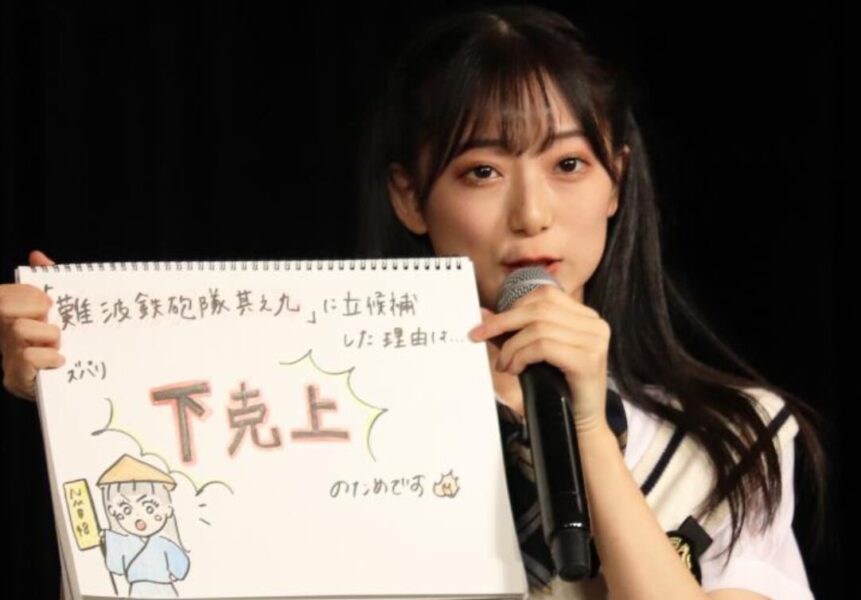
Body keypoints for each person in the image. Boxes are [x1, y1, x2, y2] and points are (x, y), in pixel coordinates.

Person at [0, 4, 828, 600]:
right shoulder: (322, 418)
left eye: (568, 165)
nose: (532, 213)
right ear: (409, 196)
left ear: (615, 178)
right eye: (482, 171)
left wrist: (585, 432)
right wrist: (86, 391)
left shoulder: (733, 438)